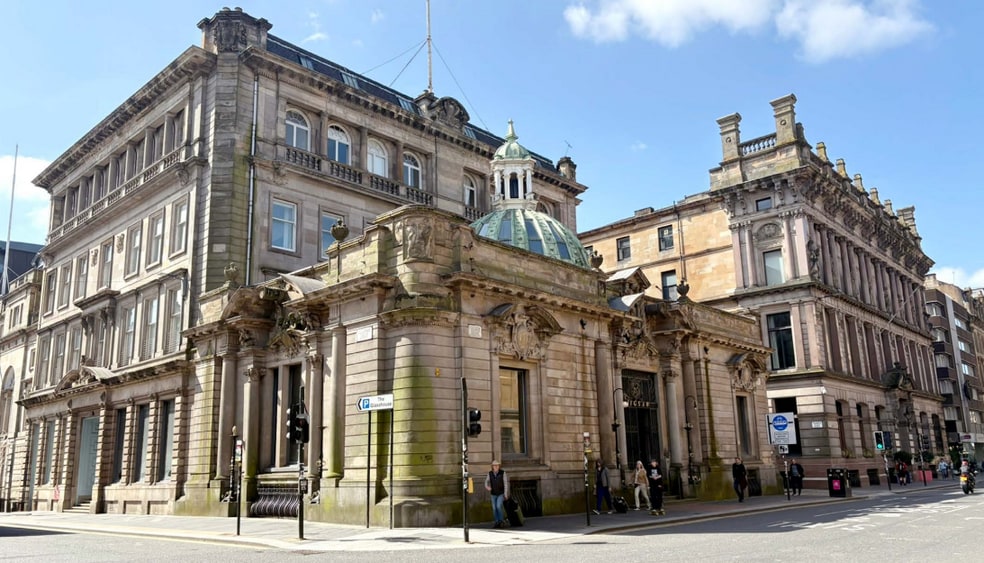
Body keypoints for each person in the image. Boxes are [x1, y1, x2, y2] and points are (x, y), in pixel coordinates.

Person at [484, 460, 510, 528]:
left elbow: (505, 484)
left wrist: (505, 494)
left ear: (499, 466)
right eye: (494, 465)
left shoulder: (503, 473)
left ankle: (501, 521)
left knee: (498, 506)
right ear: (492, 467)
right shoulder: (490, 473)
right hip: (493, 494)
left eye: (497, 465)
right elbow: (486, 482)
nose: (496, 467)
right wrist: (487, 487)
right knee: (494, 508)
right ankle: (497, 522)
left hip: (500, 493)